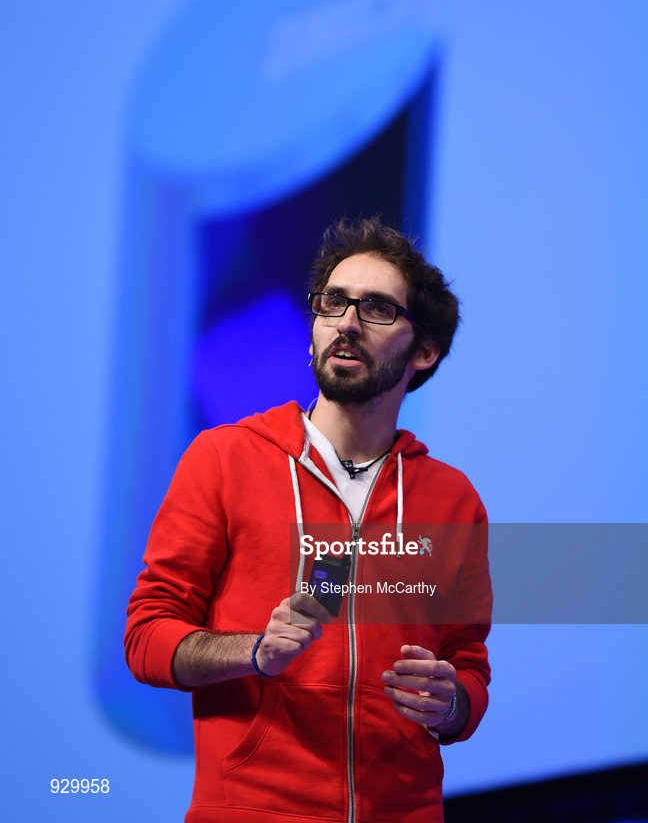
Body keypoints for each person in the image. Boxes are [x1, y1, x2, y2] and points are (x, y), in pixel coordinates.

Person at [125, 217, 491, 823]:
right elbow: (147, 637)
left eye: (376, 309)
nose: (346, 322)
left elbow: (469, 668)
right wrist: (254, 651)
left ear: (424, 350)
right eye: (333, 303)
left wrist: (450, 703)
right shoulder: (224, 459)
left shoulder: (453, 500)